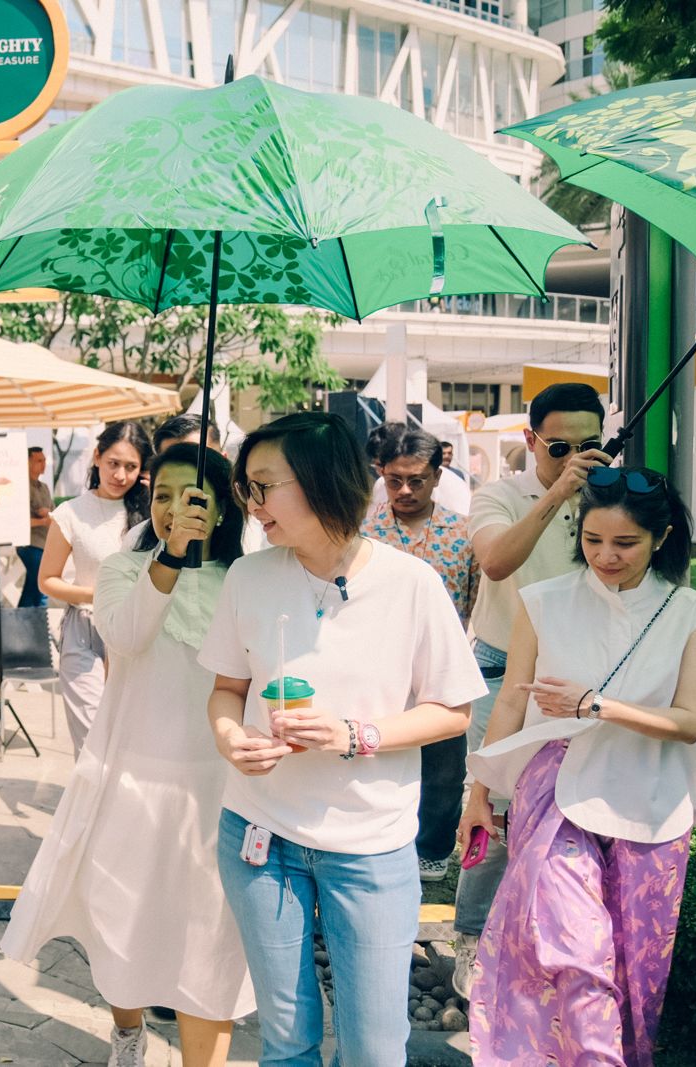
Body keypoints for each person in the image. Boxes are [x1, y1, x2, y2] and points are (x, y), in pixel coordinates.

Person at [201, 412, 485, 1066]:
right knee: (286, 1042)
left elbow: (452, 711)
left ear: (323, 481)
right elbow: (226, 688)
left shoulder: (411, 583)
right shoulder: (249, 576)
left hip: (369, 845)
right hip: (259, 832)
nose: (251, 503)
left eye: (264, 485)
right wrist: (228, 736)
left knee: (373, 1050)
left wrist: (354, 734)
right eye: (247, 487)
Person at [461, 469, 696, 1066]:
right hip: (556, 789)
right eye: (592, 539)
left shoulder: (694, 612)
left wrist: (596, 705)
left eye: (625, 543)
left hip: (652, 797)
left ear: (661, 537)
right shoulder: (543, 600)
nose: (606, 556)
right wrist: (480, 794)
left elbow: (690, 721)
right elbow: (511, 704)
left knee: (636, 968)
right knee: (575, 953)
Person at [4, 444, 253, 1067]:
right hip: (133, 775)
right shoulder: (123, 568)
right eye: (160, 495)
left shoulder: (247, 579)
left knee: (209, 940)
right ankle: (127, 1030)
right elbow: (126, 634)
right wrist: (169, 557)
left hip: (219, 786)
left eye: (189, 496)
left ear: (222, 507)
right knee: (124, 919)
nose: (171, 508)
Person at [451, 382, 610, 995]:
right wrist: (559, 492)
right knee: (490, 804)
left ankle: (550, 944)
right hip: (504, 667)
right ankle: (471, 937)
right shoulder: (499, 494)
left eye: (590, 445)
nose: (575, 457)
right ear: (532, 440)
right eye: (560, 446)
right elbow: (496, 562)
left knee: (577, 806)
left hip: (585, 668)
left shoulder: (610, 494)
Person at [361, 428, 480, 882]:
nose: (405, 490)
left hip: (443, 666)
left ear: (437, 476)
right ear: (382, 475)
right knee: (378, 756)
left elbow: (474, 599)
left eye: (417, 480)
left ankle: (432, 849)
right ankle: (380, 841)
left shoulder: (463, 532)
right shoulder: (364, 532)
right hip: (376, 667)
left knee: (445, 766)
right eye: (395, 480)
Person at [40, 421, 151, 754]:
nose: (120, 475)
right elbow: (47, 580)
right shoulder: (71, 513)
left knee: (128, 741)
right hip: (84, 631)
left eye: (130, 467)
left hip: (134, 634)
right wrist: (100, 594)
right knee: (92, 743)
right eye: (113, 463)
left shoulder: (149, 515)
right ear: (97, 457)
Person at [369, 422, 471, 515]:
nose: (405, 491)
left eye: (416, 482)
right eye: (394, 481)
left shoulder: (453, 487)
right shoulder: (380, 485)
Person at [18, 446, 53, 607]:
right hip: (29, 545)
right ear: (27, 462)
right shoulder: (22, 488)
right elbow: (19, 520)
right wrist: (43, 520)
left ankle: (22, 618)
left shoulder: (44, 488)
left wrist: (47, 513)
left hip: (44, 545)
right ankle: (40, 621)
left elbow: (54, 514)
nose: (43, 464)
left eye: (44, 460)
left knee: (32, 588)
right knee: (42, 588)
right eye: (39, 461)